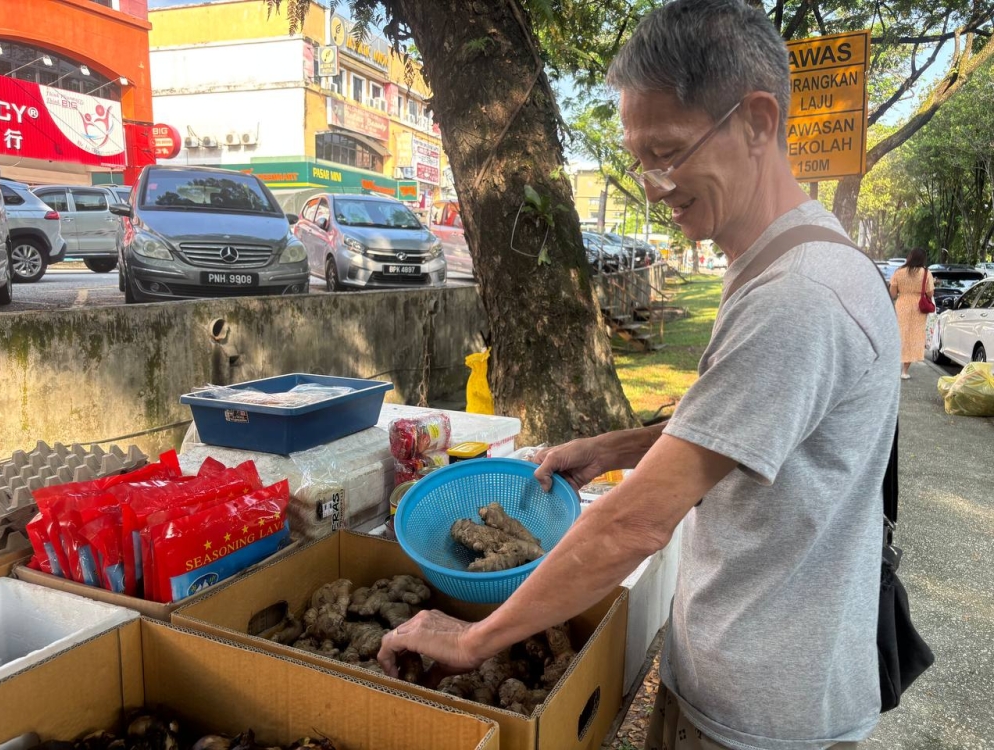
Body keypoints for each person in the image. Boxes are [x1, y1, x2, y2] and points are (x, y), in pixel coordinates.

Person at [378, 2, 900, 748]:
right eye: (640, 159)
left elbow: (636, 524)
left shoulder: (798, 298)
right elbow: (748, 426)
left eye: (669, 152)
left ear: (758, 121)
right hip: (754, 674)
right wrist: (618, 448)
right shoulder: (790, 260)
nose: (654, 185)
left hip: (763, 718)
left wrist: (469, 643)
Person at [889, 247, 934, 380]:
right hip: (918, 308)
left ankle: (893, 367)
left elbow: (892, 293)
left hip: (901, 305)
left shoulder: (899, 272)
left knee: (900, 335)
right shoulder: (926, 273)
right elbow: (930, 293)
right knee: (913, 337)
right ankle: (904, 371)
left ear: (910, 257)